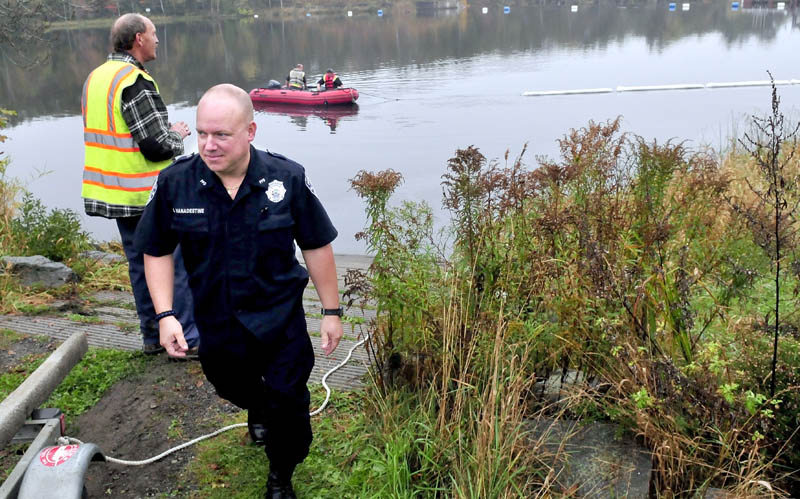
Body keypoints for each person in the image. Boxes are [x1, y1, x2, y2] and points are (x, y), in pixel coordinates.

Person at [134, 84, 344, 499]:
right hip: (218, 321)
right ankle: (258, 409)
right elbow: (155, 250)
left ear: (250, 130)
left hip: (279, 319)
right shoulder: (176, 183)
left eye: (221, 135)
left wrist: (331, 310)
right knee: (230, 384)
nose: (209, 146)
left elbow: (316, 244)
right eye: (201, 134)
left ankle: (281, 476)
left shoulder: (287, 178)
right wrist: (165, 315)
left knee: (289, 407)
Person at [81, 13, 200, 359]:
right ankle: (186, 339)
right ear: (138, 39)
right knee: (171, 263)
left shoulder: (96, 77)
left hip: (112, 190)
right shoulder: (133, 81)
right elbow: (155, 145)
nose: (158, 39)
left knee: (139, 262)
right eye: (154, 33)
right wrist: (177, 135)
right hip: (144, 191)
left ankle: (152, 336)